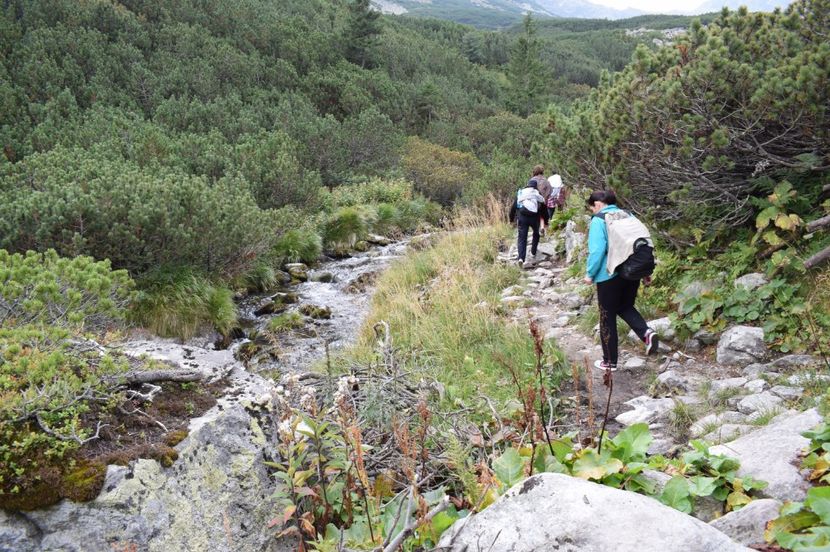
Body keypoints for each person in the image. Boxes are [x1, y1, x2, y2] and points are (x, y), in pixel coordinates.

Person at [583, 190, 658, 371]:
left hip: (608, 274)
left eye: (592, 208)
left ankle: (609, 362)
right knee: (625, 306)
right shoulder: (628, 215)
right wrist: (645, 271)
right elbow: (640, 242)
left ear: (598, 204)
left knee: (606, 316)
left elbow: (597, 250)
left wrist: (590, 274)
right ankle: (646, 333)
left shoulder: (599, 220)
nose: (593, 211)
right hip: (631, 271)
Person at [516, 179, 549, 268]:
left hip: (523, 217)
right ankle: (533, 251)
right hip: (534, 217)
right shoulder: (537, 194)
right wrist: (546, 221)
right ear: (536, 186)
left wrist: (511, 218)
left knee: (522, 238)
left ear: (527, 185)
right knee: (536, 234)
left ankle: (521, 258)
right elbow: (544, 209)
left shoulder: (521, 192)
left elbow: (514, 206)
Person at [531, 165, 551, 235]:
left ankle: (537, 229)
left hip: (534, 201)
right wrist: (545, 198)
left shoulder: (532, 180)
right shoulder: (546, 180)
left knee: (536, 215)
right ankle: (542, 227)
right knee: (542, 214)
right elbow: (550, 190)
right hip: (543, 200)